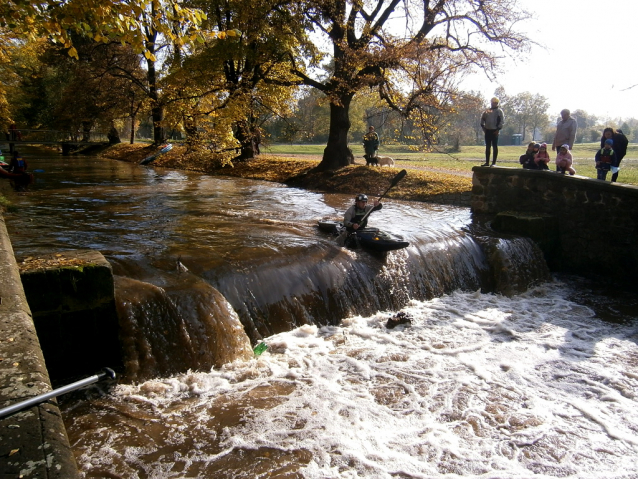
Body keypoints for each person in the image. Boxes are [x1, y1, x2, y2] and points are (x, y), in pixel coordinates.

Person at [480, 97, 505, 166]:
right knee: (487, 147)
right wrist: (483, 127)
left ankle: (494, 163)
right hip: (488, 131)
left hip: (495, 131)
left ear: (497, 103)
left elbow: (502, 121)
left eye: (494, 103)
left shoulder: (499, 111)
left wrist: (498, 129)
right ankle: (487, 162)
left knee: (495, 146)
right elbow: (482, 119)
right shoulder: (487, 111)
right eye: (492, 102)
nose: (493, 104)